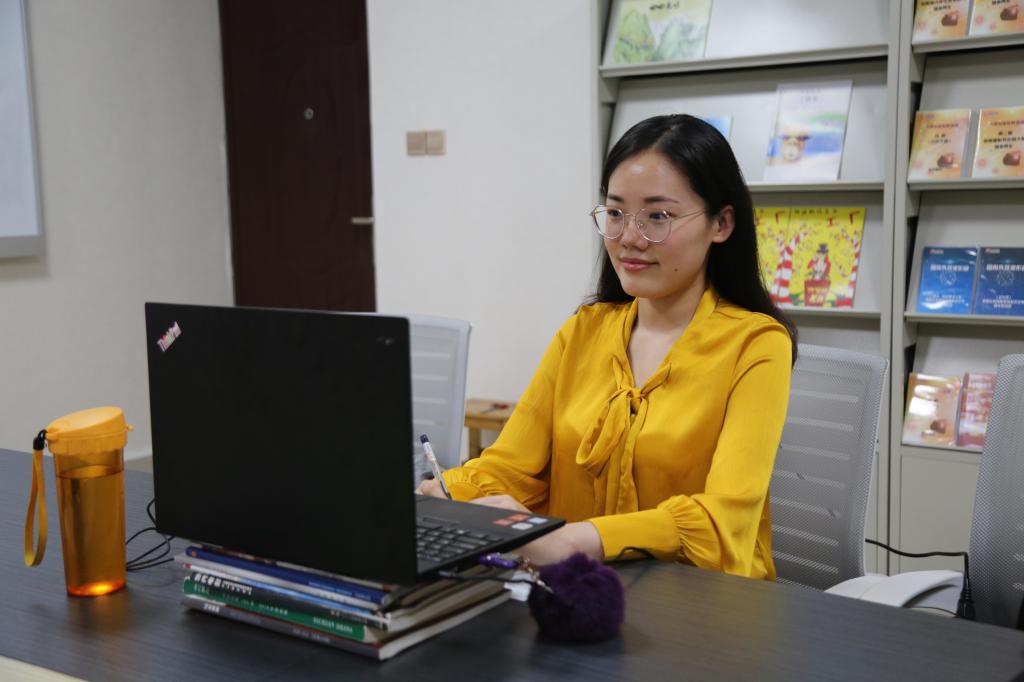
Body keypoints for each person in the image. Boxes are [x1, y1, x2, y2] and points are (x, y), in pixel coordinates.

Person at [419, 114, 797, 580]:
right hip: (577, 586)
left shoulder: (756, 344)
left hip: (701, 599)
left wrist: (572, 539)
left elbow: (723, 520)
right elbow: (510, 467)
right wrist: (438, 493)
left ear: (721, 223)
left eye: (658, 217)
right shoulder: (583, 331)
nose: (629, 239)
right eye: (615, 214)